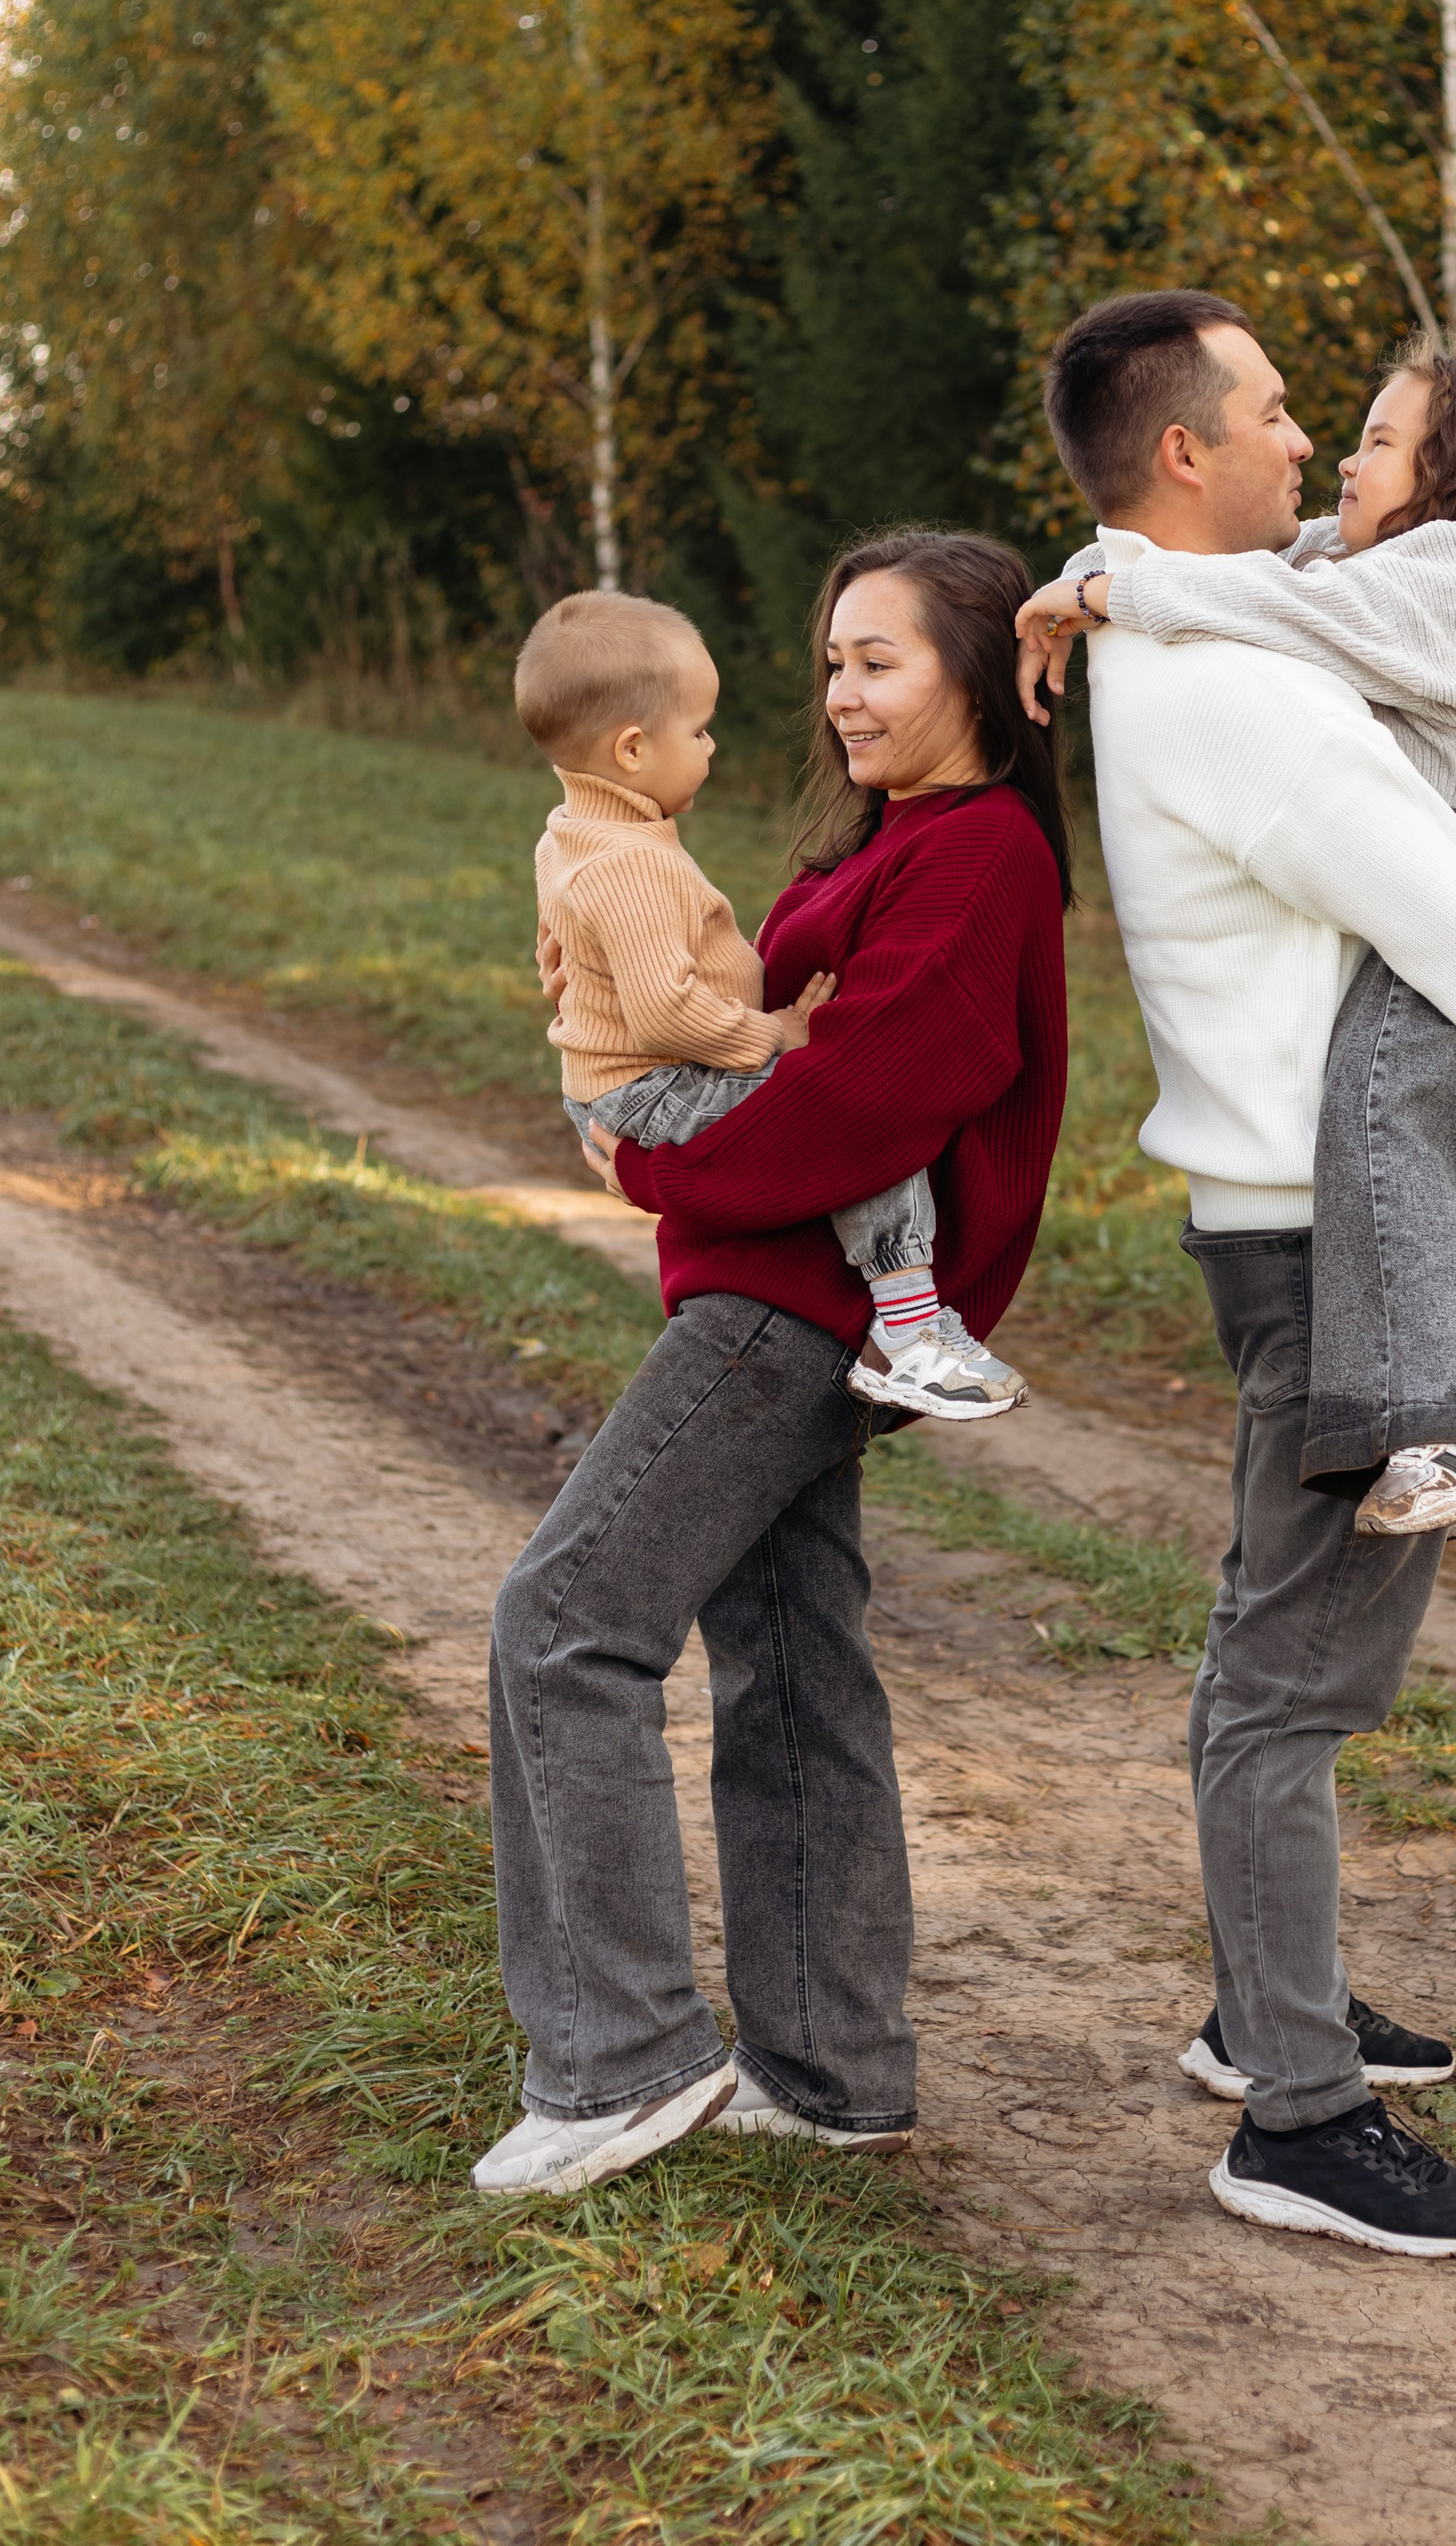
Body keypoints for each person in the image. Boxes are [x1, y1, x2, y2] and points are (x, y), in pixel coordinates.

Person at [1029, 289, 1456, 2263]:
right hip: (1322, 1237)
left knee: (1282, 1644)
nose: (1306, 446)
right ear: (1185, 450)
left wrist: (1096, 575)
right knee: (1293, 1681)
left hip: (1311, 1212)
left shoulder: (1196, 635)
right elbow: (1440, 901)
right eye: (1279, 412)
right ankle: (1292, 2111)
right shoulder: (1239, 692)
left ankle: (1260, 2003)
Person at [474, 531, 1071, 2197]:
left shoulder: (978, 857)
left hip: (790, 1312)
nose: (840, 695)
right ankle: (825, 2068)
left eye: (876, 661)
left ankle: (617, 2061)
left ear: (971, 670)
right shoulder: (887, 840)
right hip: (767, 1293)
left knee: (565, 1620)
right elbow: (711, 1001)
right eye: (830, 665)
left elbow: (872, 1096)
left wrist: (651, 1168)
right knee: (789, 1657)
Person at [1019, 341, 1456, 1539]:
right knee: (1419, 1119)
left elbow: (1263, 599)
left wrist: (1110, 598)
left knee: (1391, 1104)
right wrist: (1093, 576)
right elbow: (1222, 568)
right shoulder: (1376, 560)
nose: (1334, 456)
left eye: (1378, 441)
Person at [514, 586, 1027, 1422]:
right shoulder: (627, 863)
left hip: (621, 1085)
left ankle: (907, 1323)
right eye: (699, 730)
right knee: (860, 1127)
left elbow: (569, 943)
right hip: (652, 1084)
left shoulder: (576, 830)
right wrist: (771, 1036)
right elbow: (666, 1016)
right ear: (635, 749)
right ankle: (910, 1331)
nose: (712, 749)